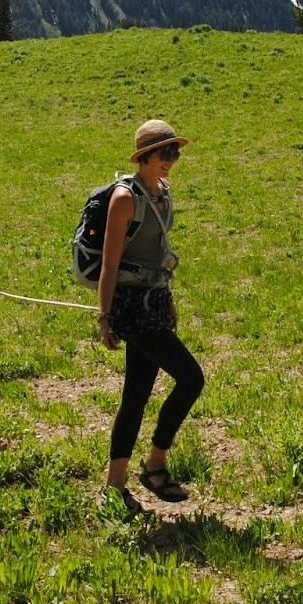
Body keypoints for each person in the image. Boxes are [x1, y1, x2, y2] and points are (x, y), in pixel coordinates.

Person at [97, 119, 205, 514]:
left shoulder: (164, 193)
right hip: (130, 307)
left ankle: (115, 486)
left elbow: (158, 251)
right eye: (165, 153)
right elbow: (109, 265)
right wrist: (105, 317)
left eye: (175, 153)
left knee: (136, 395)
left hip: (156, 301)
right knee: (192, 378)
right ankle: (155, 463)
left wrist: (168, 297)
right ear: (144, 157)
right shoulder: (125, 199)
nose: (172, 161)